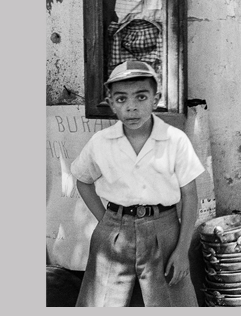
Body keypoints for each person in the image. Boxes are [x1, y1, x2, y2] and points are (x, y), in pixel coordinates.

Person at [71, 60, 204, 307]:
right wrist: (107, 221)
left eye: (141, 97)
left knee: (172, 301)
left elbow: (190, 196)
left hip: (164, 231)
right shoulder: (101, 142)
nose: (131, 107)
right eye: (121, 99)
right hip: (114, 233)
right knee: (103, 302)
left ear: (156, 99)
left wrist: (182, 250)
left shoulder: (175, 141)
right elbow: (83, 181)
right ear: (111, 103)